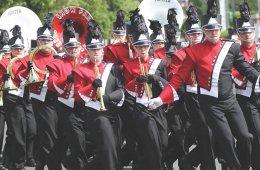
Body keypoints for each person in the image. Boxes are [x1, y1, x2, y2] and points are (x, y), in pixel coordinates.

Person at [148, 0, 260, 169]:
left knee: (245, 137)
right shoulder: (194, 52)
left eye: (216, 29)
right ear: (204, 31)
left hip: (231, 101)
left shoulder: (231, 48)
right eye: (209, 29)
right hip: (211, 104)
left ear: (220, 29)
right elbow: (178, 78)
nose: (213, 32)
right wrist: (161, 99)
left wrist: (258, 78)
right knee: (226, 140)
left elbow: (245, 69)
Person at [73, 19, 125, 170]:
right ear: (87, 50)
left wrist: (108, 98)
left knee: (111, 150)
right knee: (109, 150)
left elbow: (121, 90)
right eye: (92, 49)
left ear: (103, 50)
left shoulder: (113, 68)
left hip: (114, 113)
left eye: (98, 48)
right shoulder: (80, 70)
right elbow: (77, 94)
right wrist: (92, 87)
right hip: (96, 115)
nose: (96, 52)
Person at [123, 10, 170, 170]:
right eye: (138, 46)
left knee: (163, 143)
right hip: (141, 109)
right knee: (154, 144)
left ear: (149, 45)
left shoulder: (160, 63)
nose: (142, 48)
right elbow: (126, 88)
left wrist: (155, 79)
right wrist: (136, 81)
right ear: (134, 47)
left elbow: (167, 85)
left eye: (144, 45)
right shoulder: (129, 65)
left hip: (158, 107)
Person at [15, 13, 60, 170]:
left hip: (58, 99)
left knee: (50, 132)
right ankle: (53, 165)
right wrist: (27, 71)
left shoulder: (58, 55)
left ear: (52, 40)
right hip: (40, 99)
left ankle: (40, 161)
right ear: (38, 40)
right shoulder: (31, 57)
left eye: (48, 40)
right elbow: (19, 78)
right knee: (48, 134)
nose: (45, 42)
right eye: (42, 40)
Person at [46, 18, 86, 170]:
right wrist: (66, 80)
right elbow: (52, 84)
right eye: (69, 47)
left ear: (80, 46)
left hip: (84, 105)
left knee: (66, 140)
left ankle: (63, 163)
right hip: (66, 106)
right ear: (64, 47)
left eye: (75, 46)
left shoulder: (86, 61)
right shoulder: (58, 63)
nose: (73, 49)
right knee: (76, 140)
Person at [0, 25, 37, 170]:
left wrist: (31, 69)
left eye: (20, 48)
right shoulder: (4, 63)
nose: (18, 51)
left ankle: (9, 160)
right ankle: (19, 163)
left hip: (26, 98)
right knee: (18, 132)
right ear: (11, 50)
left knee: (29, 130)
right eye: (15, 49)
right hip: (12, 99)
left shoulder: (29, 60)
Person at [232, 2, 260, 170]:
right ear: (238, 34)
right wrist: (247, 77)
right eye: (243, 32)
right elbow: (232, 73)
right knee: (254, 136)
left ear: (254, 32)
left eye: (249, 31)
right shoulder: (235, 51)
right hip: (245, 99)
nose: (247, 35)